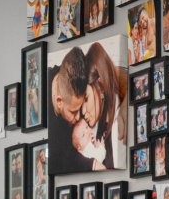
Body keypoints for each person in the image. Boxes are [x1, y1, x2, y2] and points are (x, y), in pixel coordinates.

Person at [49, 43, 128, 173]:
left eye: (86, 99)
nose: (81, 113)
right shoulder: (57, 125)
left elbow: (115, 73)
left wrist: (128, 99)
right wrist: (92, 164)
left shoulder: (71, 75)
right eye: (74, 110)